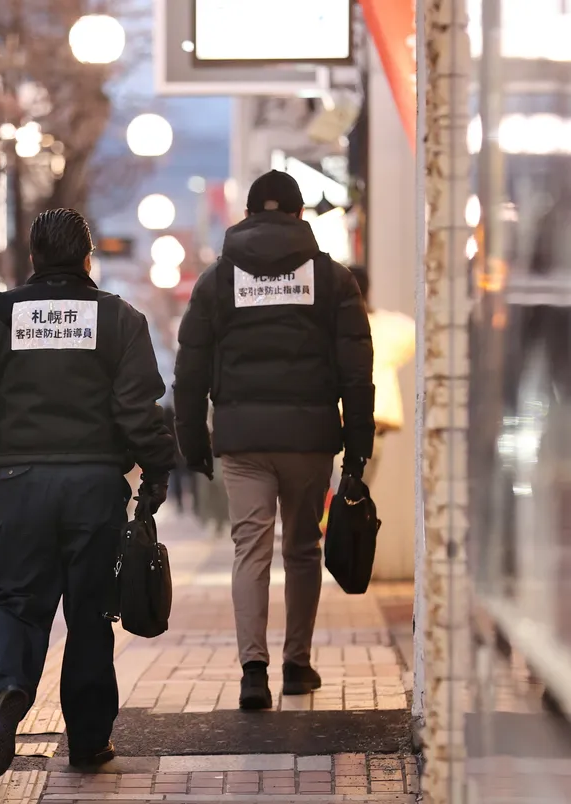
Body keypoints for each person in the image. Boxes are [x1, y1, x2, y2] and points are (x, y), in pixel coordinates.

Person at [0, 208, 176, 778]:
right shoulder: (118, 319)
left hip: (20, 486)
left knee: (13, 604)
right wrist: (156, 470)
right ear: (87, 257)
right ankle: (91, 741)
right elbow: (137, 409)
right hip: (96, 487)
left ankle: (6, 693)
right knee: (91, 615)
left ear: (33, 258)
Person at [173, 170, 374, 711]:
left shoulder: (217, 280)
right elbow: (357, 369)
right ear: (301, 216)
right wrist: (358, 445)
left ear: (245, 216)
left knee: (250, 548)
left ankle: (252, 671)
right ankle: (297, 664)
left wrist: (191, 440)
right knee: (302, 548)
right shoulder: (332, 280)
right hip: (309, 439)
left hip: (242, 440)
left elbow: (189, 370)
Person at [347, 266, 415, 486]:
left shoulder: (327, 327)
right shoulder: (392, 327)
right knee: (355, 496)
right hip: (371, 427)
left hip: (332, 424)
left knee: (328, 501)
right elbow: (421, 333)